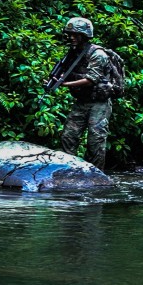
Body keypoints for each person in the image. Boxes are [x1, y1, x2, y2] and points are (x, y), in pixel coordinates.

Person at [59, 17, 112, 170]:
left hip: (98, 103)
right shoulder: (73, 53)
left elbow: (91, 79)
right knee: (68, 136)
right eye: (70, 34)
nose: (72, 37)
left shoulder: (97, 54)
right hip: (81, 101)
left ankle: (96, 176)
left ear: (85, 35)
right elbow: (67, 72)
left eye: (76, 34)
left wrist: (65, 84)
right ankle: (68, 171)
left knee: (95, 141)